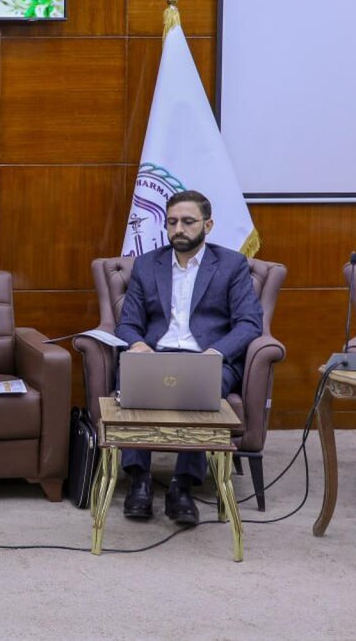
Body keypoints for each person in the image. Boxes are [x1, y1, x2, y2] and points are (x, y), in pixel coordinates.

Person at [114, 190, 262, 525]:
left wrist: (217, 352)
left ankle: (183, 484)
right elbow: (128, 323)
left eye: (188, 221)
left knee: (203, 387)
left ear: (208, 225)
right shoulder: (147, 265)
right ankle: (139, 479)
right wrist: (137, 344)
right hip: (156, 353)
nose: (178, 229)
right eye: (172, 222)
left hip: (208, 355)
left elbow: (249, 322)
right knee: (129, 377)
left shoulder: (231, 265)